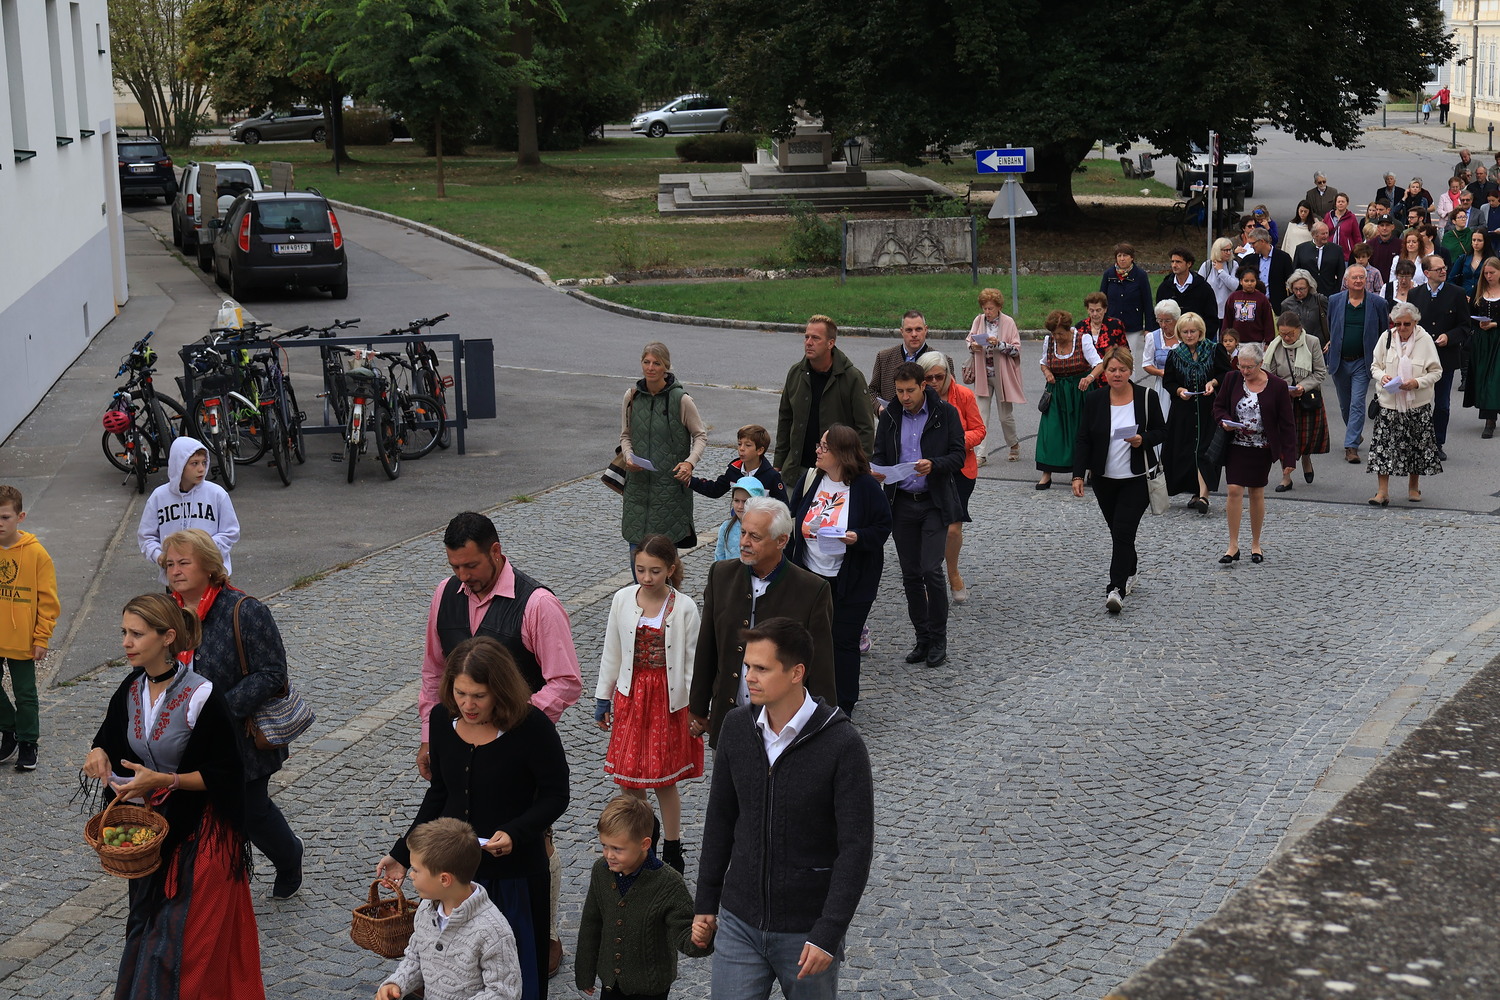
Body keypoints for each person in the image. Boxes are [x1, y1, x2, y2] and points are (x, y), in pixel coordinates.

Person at [419, 512, 582, 976]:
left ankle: (544, 934)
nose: (462, 576)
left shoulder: (537, 604)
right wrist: (430, 736)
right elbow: (433, 671)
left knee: (532, 838)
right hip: (460, 741)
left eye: (470, 565)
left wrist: (514, 726)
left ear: (495, 552)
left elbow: (565, 681)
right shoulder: (444, 595)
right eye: (454, 566)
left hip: (520, 750)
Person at [84, 593, 264, 1000]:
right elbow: (109, 738)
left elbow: (227, 774)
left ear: (167, 638)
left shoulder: (202, 695)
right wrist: (98, 752)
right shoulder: (131, 688)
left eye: (137, 634)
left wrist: (165, 780)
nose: (126, 642)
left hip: (201, 835)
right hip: (151, 836)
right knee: (147, 930)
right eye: (124, 632)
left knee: (183, 942)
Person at [691, 617, 874, 1000]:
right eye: (747, 666)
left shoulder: (843, 745)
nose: (749, 678)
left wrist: (828, 932)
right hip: (739, 921)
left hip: (807, 931)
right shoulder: (736, 728)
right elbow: (720, 818)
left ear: (796, 673)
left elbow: (855, 849)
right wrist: (706, 900)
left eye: (761, 668)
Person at [382, 637, 570, 1000]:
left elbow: (556, 795)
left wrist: (515, 833)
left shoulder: (532, 727)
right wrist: (402, 853)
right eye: (460, 693)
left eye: (479, 696)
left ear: (500, 690)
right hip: (455, 877)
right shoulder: (441, 720)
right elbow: (440, 793)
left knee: (517, 977)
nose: (468, 704)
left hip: (515, 876)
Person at [160, 529, 304, 899]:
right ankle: (207, 885)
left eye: (184, 562)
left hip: (239, 739)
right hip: (184, 736)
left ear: (209, 566)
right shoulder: (165, 611)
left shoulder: (245, 610)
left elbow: (272, 673)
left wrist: (219, 710)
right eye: (169, 564)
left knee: (249, 811)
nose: (175, 571)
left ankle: (289, 856)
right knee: (196, 812)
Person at [689, 496, 835, 747]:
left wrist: (825, 729)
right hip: (729, 719)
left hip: (784, 727)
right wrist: (698, 707)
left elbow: (820, 666)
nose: (744, 542)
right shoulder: (721, 575)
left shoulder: (812, 590)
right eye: (743, 532)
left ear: (781, 541)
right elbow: (707, 647)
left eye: (755, 537)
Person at [596, 534, 703, 874]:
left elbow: (692, 661)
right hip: (631, 696)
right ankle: (646, 838)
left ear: (671, 569)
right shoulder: (622, 600)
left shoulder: (684, 607)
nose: (646, 577)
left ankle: (672, 845)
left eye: (654, 571)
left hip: (667, 699)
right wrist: (603, 696)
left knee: (663, 778)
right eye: (640, 569)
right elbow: (612, 649)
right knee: (629, 778)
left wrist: (696, 708)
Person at [787, 424, 890, 717]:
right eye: (819, 445)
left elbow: (883, 526)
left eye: (824, 447)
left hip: (852, 580)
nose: (817, 451)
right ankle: (809, 699)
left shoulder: (866, 487)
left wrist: (858, 537)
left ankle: (843, 705)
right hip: (811, 576)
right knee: (809, 639)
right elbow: (793, 516)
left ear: (841, 454)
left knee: (843, 641)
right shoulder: (812, 479)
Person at [872, 362, 965, 669]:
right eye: (899, 392)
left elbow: (958, 455)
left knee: (931, 570)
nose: (905, 397)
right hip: (901, 503)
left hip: (933, 503)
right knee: (911, 574)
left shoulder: (945, 413)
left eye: (910, 390)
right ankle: (922, 638)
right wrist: (878, 471)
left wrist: (934, 464)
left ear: (923, 385)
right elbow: (879, 454)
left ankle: (939, 638)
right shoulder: (890, 416)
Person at [576, 796, 710, 1000]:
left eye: (617, 849)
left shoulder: (668, 883)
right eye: (605, 845)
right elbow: (591, 923)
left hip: (651, 987)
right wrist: (585, 973)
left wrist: (700, 938)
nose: (609, 855)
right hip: (611, 982)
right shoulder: (601, 871)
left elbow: (683, 930)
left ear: (644, 844)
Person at [376, 818, 522, 1000]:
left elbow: (503, 993)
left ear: (444, 879)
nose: (411, 875)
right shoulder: (426, 910)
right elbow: (416, 957)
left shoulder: (493, 931)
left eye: (416, 870)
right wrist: (397, 982)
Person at [1070, 346, 1166, 614]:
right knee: (1119, 533)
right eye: (1112, 369)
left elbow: (1162, 431)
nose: (1117, 374)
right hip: (1104, 480)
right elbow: (1083, 438)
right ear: (1104, 372)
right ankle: (1131, 569)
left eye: (1122, 369)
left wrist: (1142, 439)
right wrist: (1078, 474)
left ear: (1130, 370)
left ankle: (1116, 588)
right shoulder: (1095, 399)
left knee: (1123, 531)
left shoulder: (1146, 397)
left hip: (1136, 479)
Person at [1212, 344, 1297, 564]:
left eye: (1249, 367)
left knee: (1256, 492)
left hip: (1262, 447)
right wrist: (1224, 421)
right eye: (1241, 366)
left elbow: (1287, 424)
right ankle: (1233, 545)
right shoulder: (1232, 379)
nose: (1245, 371)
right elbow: (1218, 407)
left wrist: (1289, 457)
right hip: (1236, 444)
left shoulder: (1277, 386)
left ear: (1260, 364)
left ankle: (1256, 543)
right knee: (1233, 489)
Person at [621, 342, 709, 551]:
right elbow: (625, 435)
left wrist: (689, 463)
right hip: (637, 490)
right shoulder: (631, 397)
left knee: (663, 559)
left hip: (669, 491)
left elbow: (700, 435)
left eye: (657, 363)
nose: (650, 367)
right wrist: (628, 457)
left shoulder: (681, 399)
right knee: (636, 555)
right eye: (646, 362)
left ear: (666, 367)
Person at [775, 316, 875, 493]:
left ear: (830, 343)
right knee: (790, 512)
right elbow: (785, 419)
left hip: (836, 474)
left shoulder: (852, 378)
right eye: (806, 337)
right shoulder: (796, 373)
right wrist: (779, 462)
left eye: (815, 338)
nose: (808, 342)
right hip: (796, 471)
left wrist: (860, 469)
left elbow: (865, 428)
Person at [917, 352, 981, 606]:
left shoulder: (963, 395)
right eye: (929, 377)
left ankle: (953, 572)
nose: (934, 382)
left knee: (953, 528)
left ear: (947, 375)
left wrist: (955, 442)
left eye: (939, 376)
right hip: (927, 468)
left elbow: (979, 429)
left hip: (959, 469)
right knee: (927, 525)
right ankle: (928, 577)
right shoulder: (917, 399)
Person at [0, 485, 56, 773]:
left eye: (5, 517)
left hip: (21, 637)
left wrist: (41, 637)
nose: (0, 523)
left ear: (20, 517)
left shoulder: (36, 554)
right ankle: (9, 727)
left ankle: (28, 742)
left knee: (25, 694)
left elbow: (48, 601)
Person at [1367, 302, 1445, 504]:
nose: (1402, 328)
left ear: (1415, 322)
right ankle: (1382, 492)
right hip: (1389, 403)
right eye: (1398, 324)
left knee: (1416, 447)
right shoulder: (1386, 338)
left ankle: (1413, 487)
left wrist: (1416, 383)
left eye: (1407, 324)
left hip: (1417, 404)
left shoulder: (1425, 340)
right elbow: (1375, 366)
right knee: (1383, 449)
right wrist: (1383, 377)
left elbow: (1436, 372)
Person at [137, 436, 240, 586]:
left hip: (211, 575)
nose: (201, 469)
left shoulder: (217, 494)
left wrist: (203, 551)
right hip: (176, 579)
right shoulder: (159, 497)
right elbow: (146, 536)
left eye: (204, 462)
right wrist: (160, 556)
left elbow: (230, 532)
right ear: (179, 465)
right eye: (194, 463)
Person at [1161, 313, 1231, 512]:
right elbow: (1168, 381)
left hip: (1209, 409)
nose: (1189, 335)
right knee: (1187, 451)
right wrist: (1179, 390)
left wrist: (1213, 382)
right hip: (1183, 411)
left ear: (1200, 332)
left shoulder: (1214, 349)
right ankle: (1195, 492)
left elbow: (1227, 374)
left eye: (1193, 331)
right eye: (1185, 332)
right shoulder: (1175, 354)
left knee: (1205, 451)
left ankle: (1203, 496)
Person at [1325, 264, 1390, 464]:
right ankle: (1354, 433)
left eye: (1362, 277)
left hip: (1363, 361)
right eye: (1354, 277)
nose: (1359, 280)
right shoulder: (1334, 300)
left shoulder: (1378, 303)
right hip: (1339, 361)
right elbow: (1331, 325)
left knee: (1357, 403)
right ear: (1346, 281)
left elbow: (1384, 332)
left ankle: (1351, 446)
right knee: (1345, 405)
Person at [1408, 255, 1470, 460]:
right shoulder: (1414, 294)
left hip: (1445, 357)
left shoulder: (1457, 293)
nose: (1444, 271)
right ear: (1427, 273)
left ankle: (1437, 442)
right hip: (1420, 358)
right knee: (1418, 402)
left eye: (1444, 268)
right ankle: (1418, 440)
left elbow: (1465, 326)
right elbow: (1408, 325)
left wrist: (1449, 337)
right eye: (1439, 269)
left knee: (1442, 404)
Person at [1263, 313, 1330, 490]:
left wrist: (1302, 387)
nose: (1286, 338)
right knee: (1283, 438)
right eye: (1282, 334)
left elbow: (1320, 372)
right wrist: (1284, 389)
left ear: (1299, 329)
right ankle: (1286, 477)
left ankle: (1306, 458)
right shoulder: (1275, 346)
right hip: (1283, 398)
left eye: (1290, 334)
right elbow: (1268, 375)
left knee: (1305, 437)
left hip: (1307, 397)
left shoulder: (1312, 342)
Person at [1035, 309, 1098, 490]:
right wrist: (1047, 372)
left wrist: (1089, 378)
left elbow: (1099, 363)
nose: (1057, 337)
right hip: (1056, 391)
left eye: (1060, 333)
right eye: (1054, 333)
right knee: (1051, 431)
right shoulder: (1049, 342)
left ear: (1069, 329)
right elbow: (1043, 363)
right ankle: (1047, 473)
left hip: (1079, 391)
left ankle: (1089, 469)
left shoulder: (1083, 339)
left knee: (1082, 431)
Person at [964, 288, 1025, 464]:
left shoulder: (1008, 322)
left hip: (1002, 376)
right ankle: (981, 454)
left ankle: (1013, 444)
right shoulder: (978, 320)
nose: (987, 312)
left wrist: (999, 344)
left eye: (990, 308)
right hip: (983, 374)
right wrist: (973, 346)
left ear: (999, 307)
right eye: (985, 308)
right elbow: (969, 340)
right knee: (980, 416)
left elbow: (1016, 350)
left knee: (1005, 416)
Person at [868, 310, 948, 415]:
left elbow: (951, 394)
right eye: (909, 330)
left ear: (926, 330)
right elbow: (872, 391)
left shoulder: (942, 361)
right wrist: (879, 408)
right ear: (902, 331)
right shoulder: (883, 357)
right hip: (892, 421)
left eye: (918, 329)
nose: (914, 334)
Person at [690, 423, 787, 506]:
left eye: (748, 445)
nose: (741, 448)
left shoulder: (771, 476)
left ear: (760, 450)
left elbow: (783, 507)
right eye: (739, 444)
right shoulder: (734, 470)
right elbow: (715, 490)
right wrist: (689, 480)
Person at [1100, 242, 1155, 372]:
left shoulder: (1140, 275)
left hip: (1132, 325)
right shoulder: (1109, 275)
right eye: (1119, 256)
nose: (1122, 259)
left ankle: (1130, 383)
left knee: (1129, 359)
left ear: (1132, 258)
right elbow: (1101, 300)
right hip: (1111, 325)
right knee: (1110, 358)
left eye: (1125, 255)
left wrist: (1149, 328)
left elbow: (1147, 302)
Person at [1466, 256, 1500, 439]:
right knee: (1485, 378)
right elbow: (1470, 314)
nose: (1488, 276)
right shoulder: (1479, 290)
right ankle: (1489, 418)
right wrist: (1478, 324)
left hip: (1498, 339)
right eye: (1486, 273)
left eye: (1492, 273)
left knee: (1494, 378)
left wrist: (1495, 324)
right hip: (1483, 341)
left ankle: (1490, 421)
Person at [1155, 246, 1220, 339]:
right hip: (1170, 339)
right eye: (1172, 261)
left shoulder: (1203, 288)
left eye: (1178, 262)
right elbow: (1158, 315)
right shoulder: (1164, 287)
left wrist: (1202, 339)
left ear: (1189, 264)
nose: (1174, 265)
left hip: (1197, 340)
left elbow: (1211, 318)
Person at [1140, 300, 1182, 417]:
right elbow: (1146, 364)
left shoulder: (1185, 335)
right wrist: (1161, 372)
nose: (1163, 325)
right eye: (1160, 320)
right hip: (1163, 386)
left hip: (1183, 384)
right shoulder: (1152, 337)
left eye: (1167, 321)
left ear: (1176, 319)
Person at [1077, 290, 1129, 386]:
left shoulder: (1115, 325)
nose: (1095, 314)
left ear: (1105, 309)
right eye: (1091, 310)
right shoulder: (1080, 327)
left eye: (1098, 310)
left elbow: (1125, 351)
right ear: (1087, 310)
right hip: (1086, 380)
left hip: (1109, 377)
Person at [713, 476, 767, 562]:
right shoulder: (726, 527)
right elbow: (719, 557)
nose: (740, 506)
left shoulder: (766, 529)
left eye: (745, 502)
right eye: (736, 500)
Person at [1237, 228, 1294, 307]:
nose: (1251, 246)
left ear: (1262, 241)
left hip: (1277, 305)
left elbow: (1291, 281)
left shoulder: (1283, 257)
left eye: (1253, 243)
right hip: (1252, 304)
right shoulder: (1248, 260)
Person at [1222, 265, 1276, 345]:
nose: (1249, 283)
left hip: (1256, 341)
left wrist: (1268, 341)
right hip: (1236, 341)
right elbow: (1227, 319)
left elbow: (1268, 321)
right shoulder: (1233, 297)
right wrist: (1224, 338)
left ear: (1256, 281)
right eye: (1246, 281)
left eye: (1252, 281)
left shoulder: (1262, 298)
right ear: (1241, 281)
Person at [1291, 222, 1346, 297]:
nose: (1326, 236)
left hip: (1330, 293)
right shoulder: (1301, 249)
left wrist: (1338, 291)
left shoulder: (1337, 250)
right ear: (1314, 235)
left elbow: (1341, 274)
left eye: (1327, 233)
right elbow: (1296, 272)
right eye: (1323, 234)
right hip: (1308, 294)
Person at [1280, 269, 1329, 345]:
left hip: (1319, 345)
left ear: (1309, 287)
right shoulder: (1286, 304)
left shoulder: (1319, 300)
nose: (1298, 293)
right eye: (1295, 289)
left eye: (1302, 289)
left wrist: (1331, 340)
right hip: (1296, 345)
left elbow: (1333, 321)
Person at [1199, 237, 1240, 318]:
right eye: (1226, 250)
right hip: (1209, 312)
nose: (1229, 253)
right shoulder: (1207, 266)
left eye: (1230, 250)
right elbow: (1199, 287)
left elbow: (1234, 286)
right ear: (1217, 250)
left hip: (1227, 311)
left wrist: (1221, 271)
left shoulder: (1233, 265)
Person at [1325, 194, 1362, 261]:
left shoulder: (1352, 217)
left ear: (1347, 203)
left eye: (1343, 202)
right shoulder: (1328, 216)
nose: (1340, 203)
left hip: (1346, 255)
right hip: (1329, 253)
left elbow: (1357, 236)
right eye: (1338, 202)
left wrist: (1359, 251)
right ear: (1335, 203)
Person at [1454, 228, 1490, 297]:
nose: (1476, 243)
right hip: (1464, 296)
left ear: (1485, 242)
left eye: (1479, 240)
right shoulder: (1463, 258)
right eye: (1474, 240)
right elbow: (1451, 279)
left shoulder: (1491, 260)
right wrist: (1459, 295)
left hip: (1483, 297)